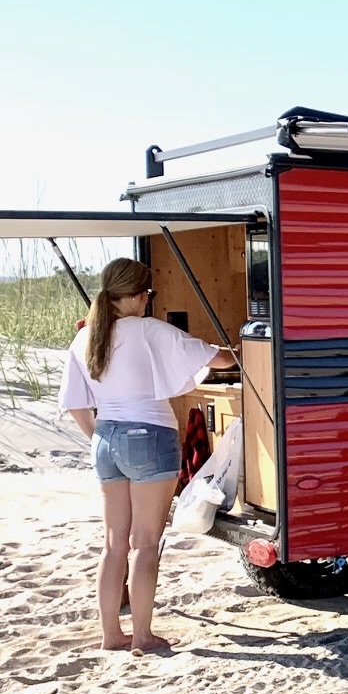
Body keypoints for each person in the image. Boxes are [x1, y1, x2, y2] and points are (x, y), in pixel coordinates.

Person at [58, 258, 235, 652]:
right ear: (141, 296)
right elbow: (215, 359)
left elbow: (75, 405)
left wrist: (100, 437)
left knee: (113, 544)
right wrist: (239, 349)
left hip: (106, 441)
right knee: (144, 542)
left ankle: (110, 636)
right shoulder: (150, 330)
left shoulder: (86, 336)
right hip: (150, 437)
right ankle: (142, 634)